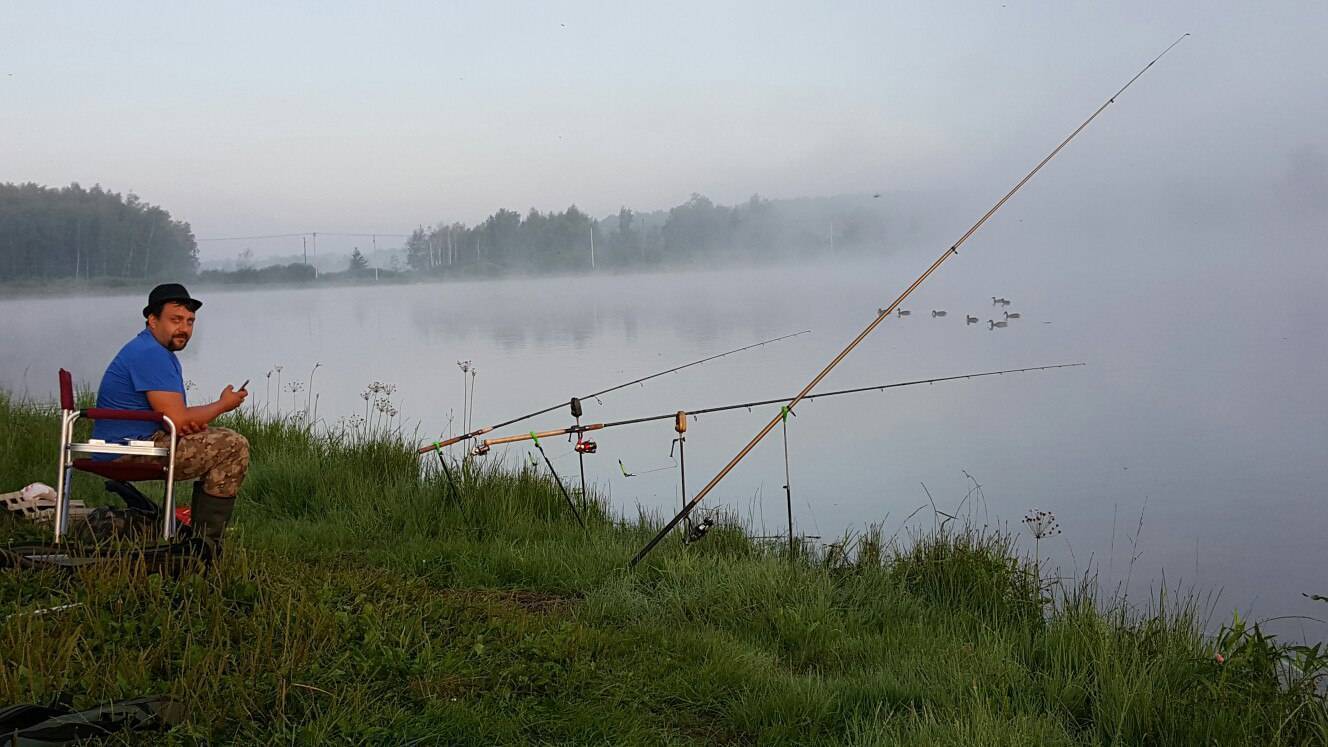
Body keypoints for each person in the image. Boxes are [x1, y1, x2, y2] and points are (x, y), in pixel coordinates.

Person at [92, 283, 249, 542]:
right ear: (152, 320)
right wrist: (223, 404)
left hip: (133, 442)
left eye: (190, 321)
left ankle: (196, 538)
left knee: (217, 437)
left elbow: (172, 419)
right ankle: (205, 544)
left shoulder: (153, 350)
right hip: (127, 450)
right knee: (233, 446)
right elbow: (176, 419)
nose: (184, 329)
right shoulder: (150, 354)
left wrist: (190, 423)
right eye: (175, 320)